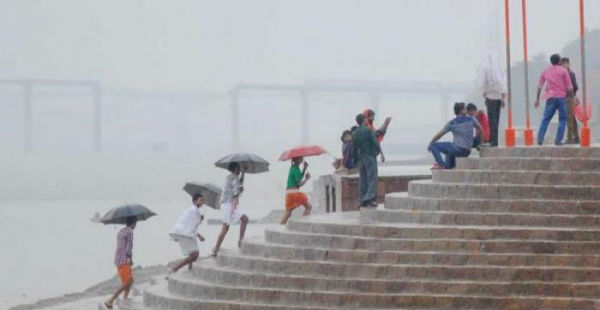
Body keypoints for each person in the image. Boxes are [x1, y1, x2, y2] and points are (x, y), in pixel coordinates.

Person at [428, 102, 483, 169]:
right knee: (448, 162)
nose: (467, 109)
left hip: (458, 150)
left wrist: (430, 144)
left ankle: (441, 164)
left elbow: (439, 135)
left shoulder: (452, 123)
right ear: (461, 111)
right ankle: (445, 165)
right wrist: (480, 143)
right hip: (467, 151)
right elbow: (481, 129)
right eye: (465, 108)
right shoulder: (471, 119)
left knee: (434, 146)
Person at [535, 54, 573, 146]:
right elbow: (570, 87)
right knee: (563, 119)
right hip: (561, 98)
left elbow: (540, 86)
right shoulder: (563, 71)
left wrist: (537, 99)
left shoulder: (546, 71)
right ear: (559, 61)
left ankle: (540, 139)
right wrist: (571, 97)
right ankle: (558, 140)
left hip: (550, 98)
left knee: (546, 119)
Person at [212, 162, 249, 256]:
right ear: (235, 169)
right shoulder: (232, 178)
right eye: (239, 168)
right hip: (228, 204)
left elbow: (239, 182)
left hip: (231, 204)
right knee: (225, 228)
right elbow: (236, 191)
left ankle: (241, 241)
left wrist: (244, 172)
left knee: (244, 219)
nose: (240, 170)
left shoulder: (233, 177)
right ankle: (216, 249)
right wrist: (241, 190)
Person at [166, 193, 206, 277]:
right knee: (195, 254)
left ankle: (189, 268)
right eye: (200, 200)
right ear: (195, 201)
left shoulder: (192, 209)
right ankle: (174, 269)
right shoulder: (195, 210)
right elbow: (194, 223)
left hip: (184, 232)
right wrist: (200, 219)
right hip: (184, 233)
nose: (202, 202)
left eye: (203, 200)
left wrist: (198, 235)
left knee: (193, 253)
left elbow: (191, 224)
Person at [103, 216, 136, 309]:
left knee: (130, 280)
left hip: (118, 259)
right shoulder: (130, 232)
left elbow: (121, 246)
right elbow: (128, 248)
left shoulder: (121, 231)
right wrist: (130, 259)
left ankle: (125, 298)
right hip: (124, 259)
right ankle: (110, 300)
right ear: (134, 223)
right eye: (135, 223)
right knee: (127, 281)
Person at [476, 51, 506, 147]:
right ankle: (495, 141)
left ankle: (492, 141)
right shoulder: (499, 69)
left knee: (491, 121)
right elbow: (503, 84)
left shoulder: (485, 68)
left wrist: (484, 95)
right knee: (496, 121)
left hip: (490, 97)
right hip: (498, 97)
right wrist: (502, 98)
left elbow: (482, 83)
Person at [352, 113, 381, 208]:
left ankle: (362, 200)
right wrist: (379, 151)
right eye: (366, 119)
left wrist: (355, 160)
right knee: (372, 178)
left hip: (361, 158)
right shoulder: (368, 130)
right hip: (370, 156)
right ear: (364, 120)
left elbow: (354, 148)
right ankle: (369, 197)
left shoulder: (355, 133)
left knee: (363, 180)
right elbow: (375, 142)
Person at [280, 157, 312, 225]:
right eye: (300, 158)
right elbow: (299, 184)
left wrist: (304, 168)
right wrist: (306, 179)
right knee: (308, 206)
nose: (302, 159)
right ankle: (304, 224)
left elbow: (299, 177)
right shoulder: (295, 169)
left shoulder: (294, 168)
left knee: (288, 212)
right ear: (296, 159)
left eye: (301, 158)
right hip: (293, 193)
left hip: (289, 193)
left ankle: (281, 225)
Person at [561, 57, 580, 144]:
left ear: (568, 64)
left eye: (565, 63)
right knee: (571, 117)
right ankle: (576, 137)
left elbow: (575, 86)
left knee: (569, 118)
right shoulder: (565, 73)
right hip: (566, 97)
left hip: (568, 97)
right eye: (563, 64)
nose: (564, 65)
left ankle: (569, 138)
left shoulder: (570, 74)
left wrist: (573, 96)